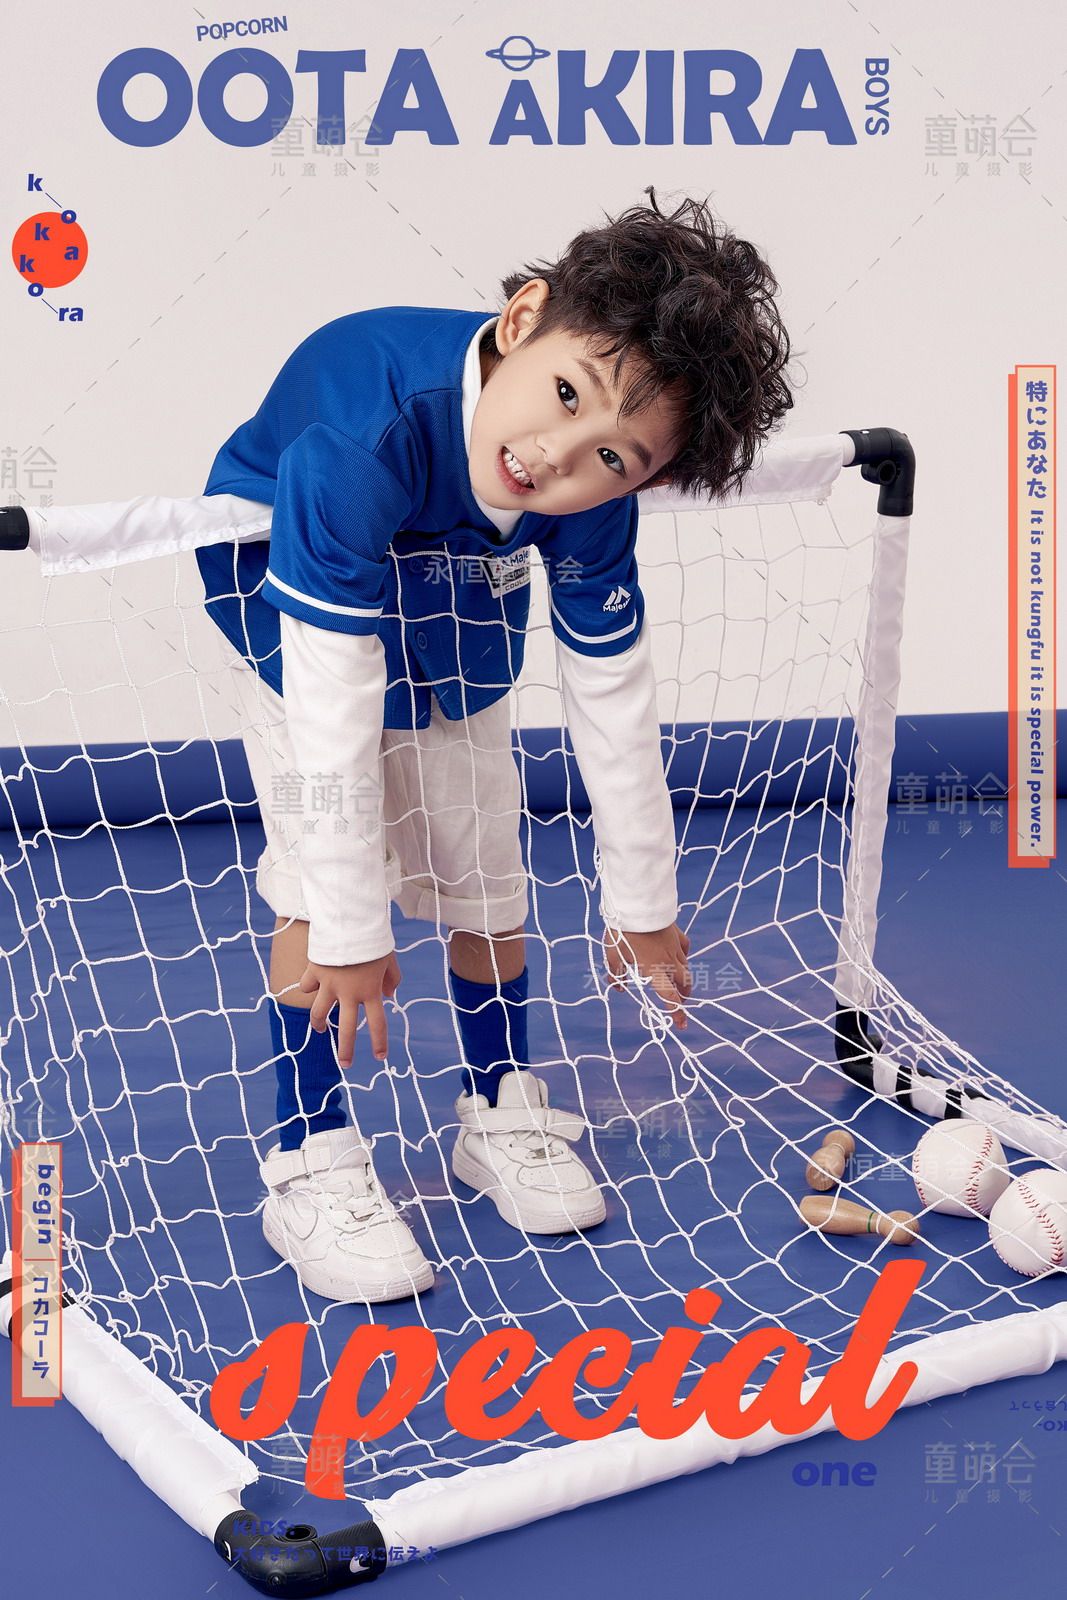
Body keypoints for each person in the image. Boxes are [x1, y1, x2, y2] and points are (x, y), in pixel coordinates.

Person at [0, 189, 794, 1305]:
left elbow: (610, 685)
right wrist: (350, 924)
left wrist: (642, 903)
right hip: (296, 594)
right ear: (522, 319)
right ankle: (309, 1154)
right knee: (321, 883)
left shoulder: (591, 491)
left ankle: (498, 1107)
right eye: (564, 394)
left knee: (487, 869)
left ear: (643, 475)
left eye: (611, 456)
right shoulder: (365, 434)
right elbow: (333, 697)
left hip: (455, 600)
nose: (555, 455)